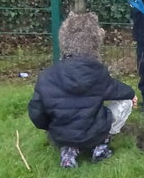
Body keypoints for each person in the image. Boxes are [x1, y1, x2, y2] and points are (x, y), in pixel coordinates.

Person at [27, 11, 137, 168]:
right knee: (126, 101)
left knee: (64, 120)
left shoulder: (47, 75)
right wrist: (131, 94)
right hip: (94, 133)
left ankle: (68, 150)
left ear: (64, 39)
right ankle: (101, 146)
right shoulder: (97, 72)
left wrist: (51, 128)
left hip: (60, 135)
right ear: (94, 42)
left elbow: (36, 113)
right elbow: (117, 90)